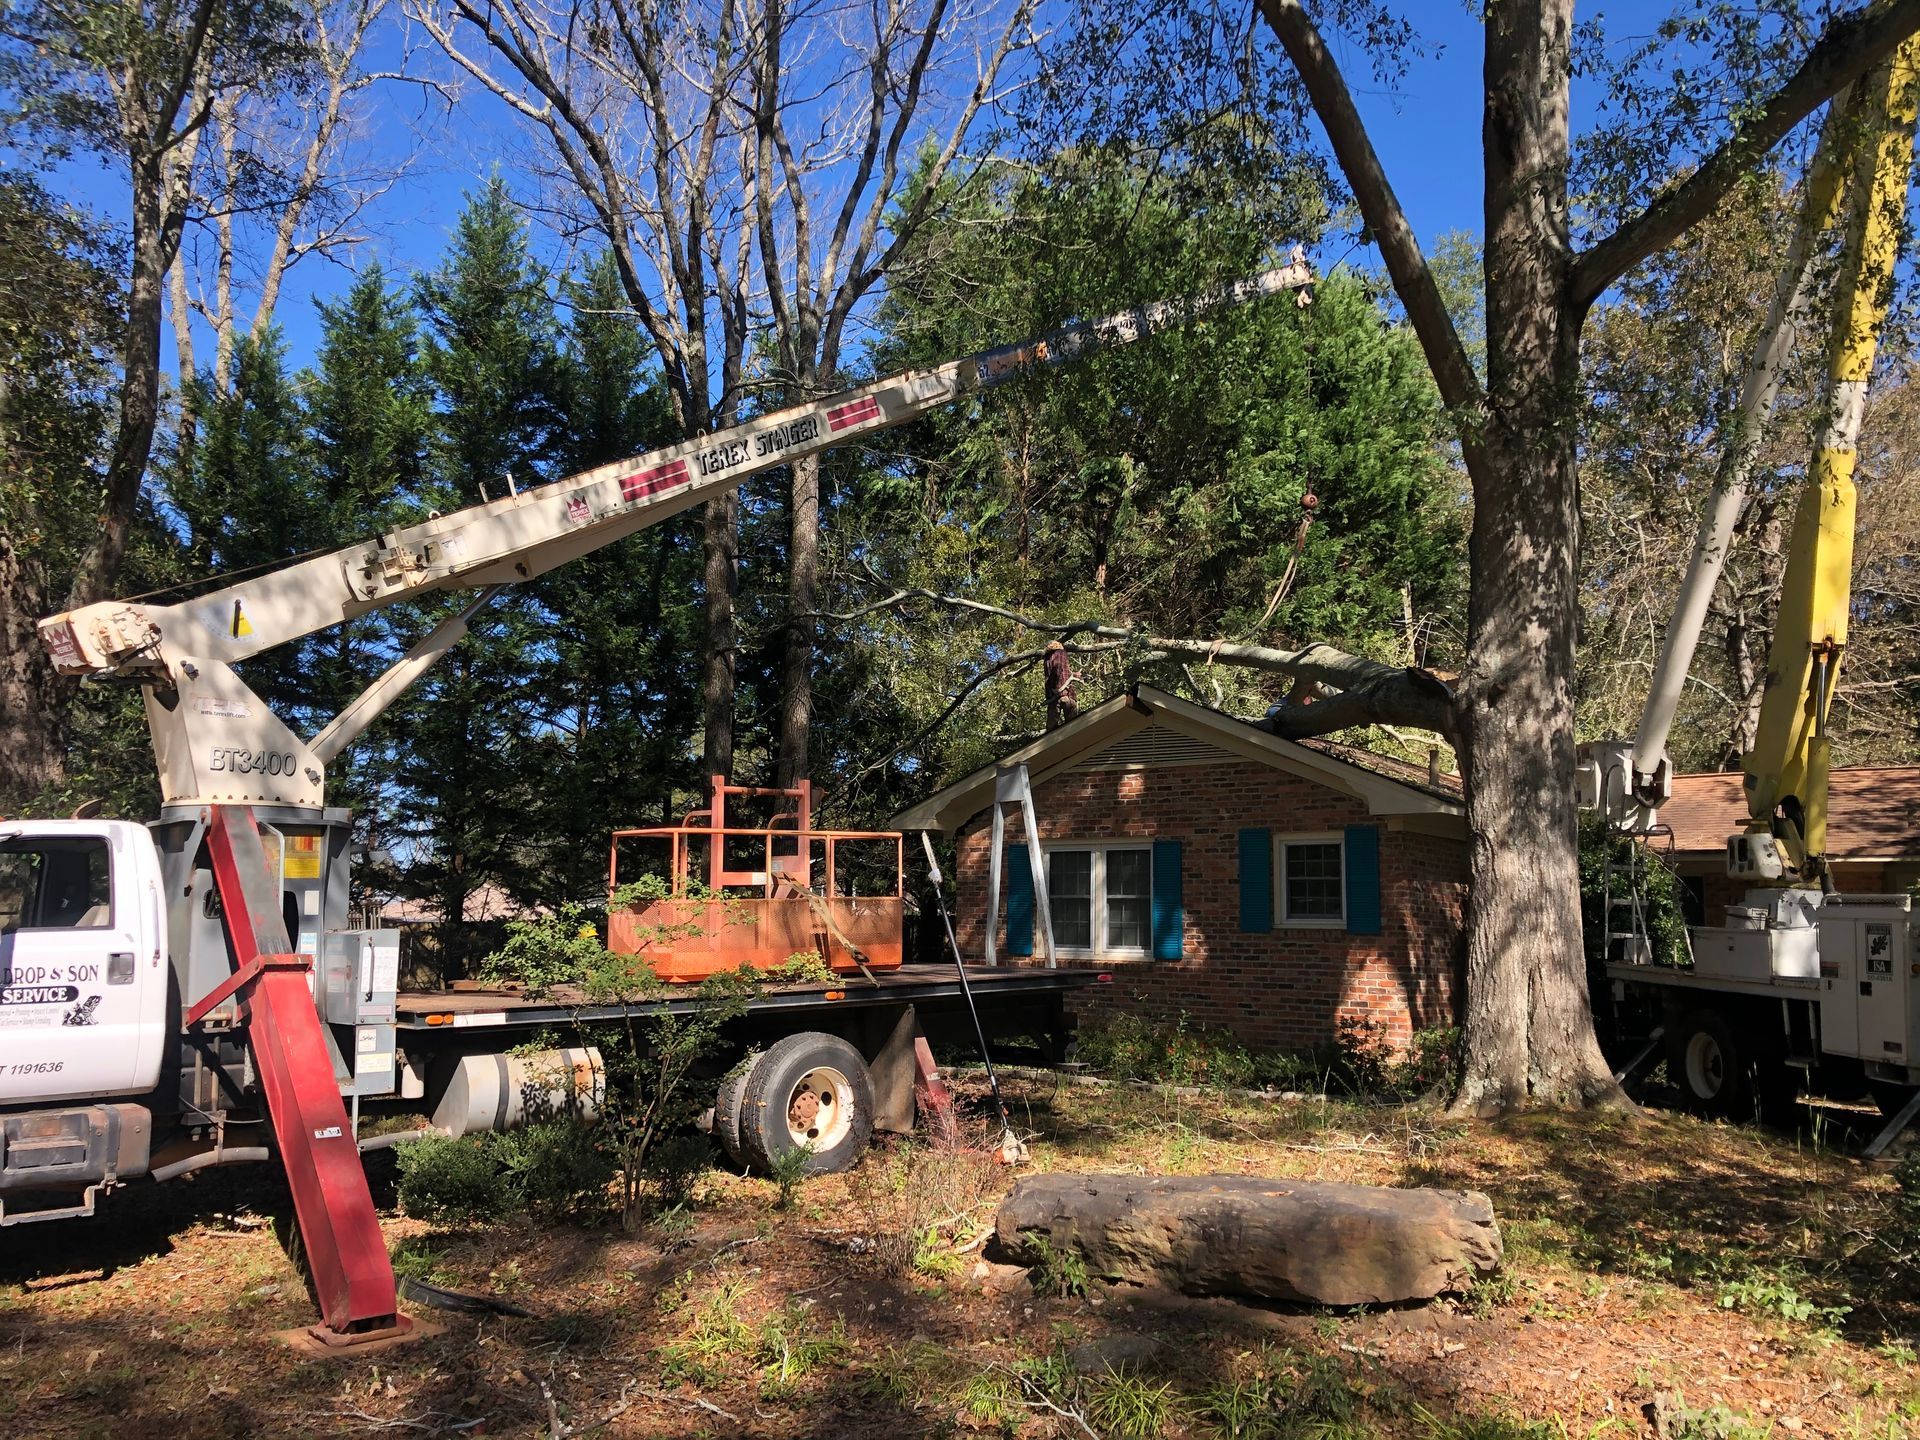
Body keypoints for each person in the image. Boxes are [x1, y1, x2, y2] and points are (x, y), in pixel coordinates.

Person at [1043, 640, 1077, 730]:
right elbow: (1058, 669)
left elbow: (1050, 675)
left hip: (1052, 698)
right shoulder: (1061, 653)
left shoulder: (1047, 658)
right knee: (1073, 726)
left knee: (1051, 730)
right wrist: (1057, 688)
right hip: (1065, 694)